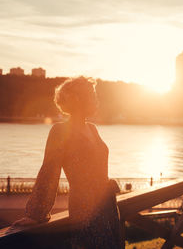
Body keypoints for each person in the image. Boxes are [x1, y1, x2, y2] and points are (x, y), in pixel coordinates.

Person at [13, 76, 121, 248]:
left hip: (107, 206)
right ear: (78, 99)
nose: (96, 100)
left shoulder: (92, 128)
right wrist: (36, 214)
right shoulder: (60, 131)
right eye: (92, 95)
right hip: (85, 209)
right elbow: (49, 171)